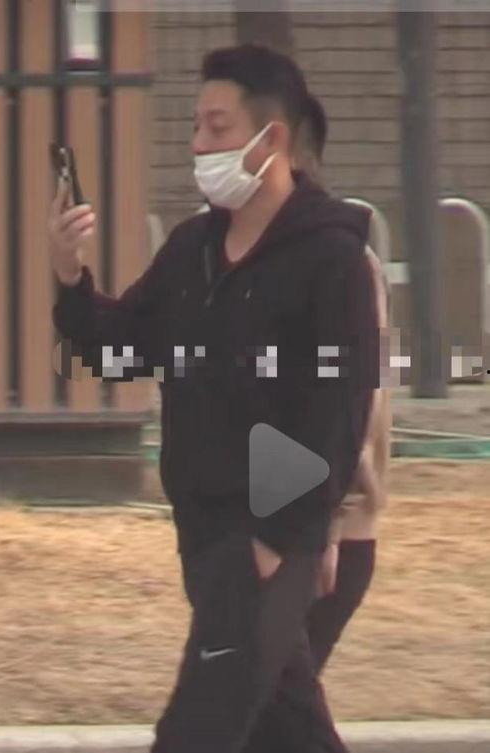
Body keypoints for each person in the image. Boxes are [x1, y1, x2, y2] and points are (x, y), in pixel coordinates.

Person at [49, 44, 379, 753]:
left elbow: (337, 411)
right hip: (202, 533)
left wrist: (277, 538)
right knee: (286, 731)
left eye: (218, 127)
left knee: (194, 731)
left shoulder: (330, 258)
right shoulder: (194, 248)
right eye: (195, 127)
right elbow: (121, 349)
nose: (199, 144)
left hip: (265, 540)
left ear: (272, 139)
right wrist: (71, 277)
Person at [287, 93, 392, 753]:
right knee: (268, 713)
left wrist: (325, 522)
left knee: (272, 706)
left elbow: (350, 400)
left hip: (323, 531)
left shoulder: (337, 261)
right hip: (277, 528)